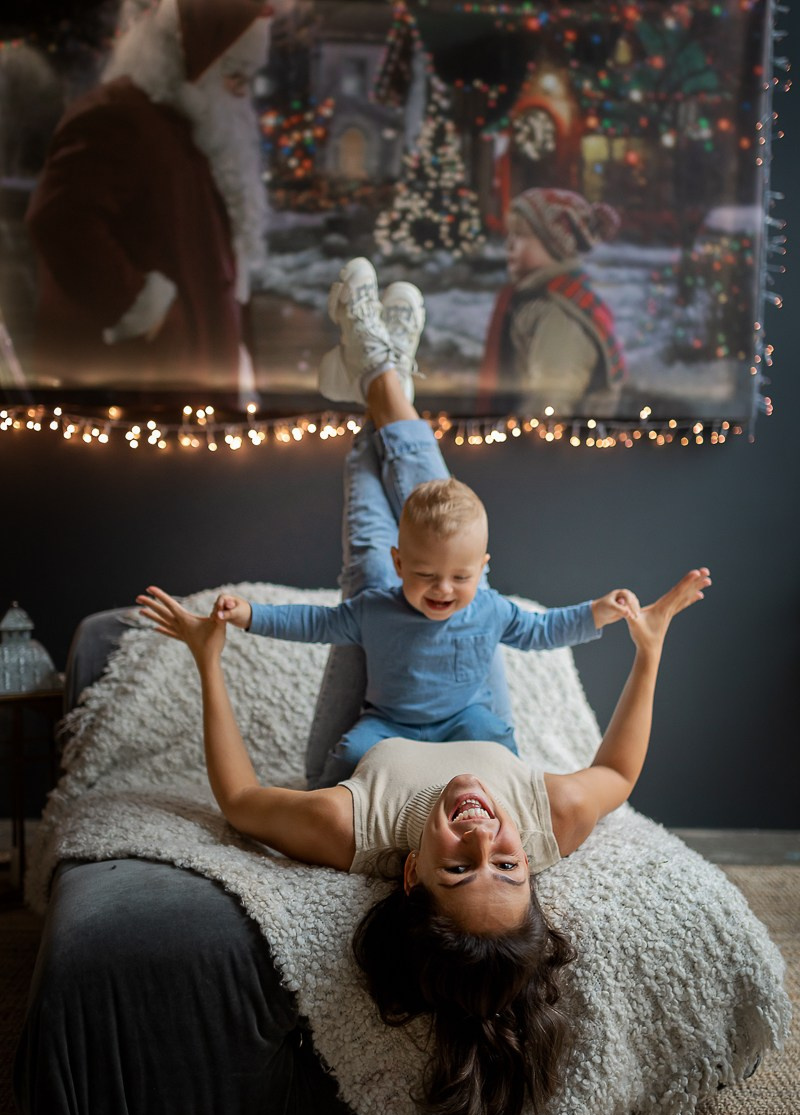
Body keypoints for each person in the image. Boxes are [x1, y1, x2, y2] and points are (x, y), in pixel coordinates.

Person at [136, 346, 711, 1115]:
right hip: (462, 686)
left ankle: (379, 389)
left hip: (368, 724)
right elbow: (618, 770)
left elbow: (241, 801)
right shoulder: (546, 815)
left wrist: (208, 660)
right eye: (506, 862)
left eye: (457, 863)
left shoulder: (355, 833)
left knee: (374, 577)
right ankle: (383, 386)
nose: (483, 833)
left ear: (410, 873)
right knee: (437, 573)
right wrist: (648, 652)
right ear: (531, 860)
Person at [210, 258, 640, 785]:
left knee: (501, 751)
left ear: (484, 567)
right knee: (339, 766)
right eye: (424, 575)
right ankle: (384, 375)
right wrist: (250, 613)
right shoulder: (376, 605)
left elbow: (543, 630)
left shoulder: (487, 605)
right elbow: (311, 622)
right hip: (390, 722)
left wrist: (596, 613)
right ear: (399, 562)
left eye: (461, 576)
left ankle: (377, 372)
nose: (443, 589)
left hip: (463, 721)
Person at [25, 0, 289, 396]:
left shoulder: (195, 128)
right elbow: (59, 219)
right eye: (234, 76)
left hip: (192, 378)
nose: (243, 95)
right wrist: (140, 303)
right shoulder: (118, 116)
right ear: (197, 67)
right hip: (142, 384)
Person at [478, 187, 626, 419]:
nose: (509, 245)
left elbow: (549, 405)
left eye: (522, 235)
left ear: (556, 244)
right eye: (510, 234)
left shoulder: (559, 315)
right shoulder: (534, 300)